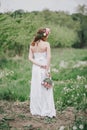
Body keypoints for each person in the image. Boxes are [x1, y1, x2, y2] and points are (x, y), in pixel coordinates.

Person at [28, 28, 56, 118]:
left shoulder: (32, 44)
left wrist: (38, 64)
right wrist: (47, 70)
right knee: (46, 87)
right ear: (45, 35)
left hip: (36, 68)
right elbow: (49, 57)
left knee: (36, 87)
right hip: (45, 67)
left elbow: (30, 58)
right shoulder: (46, 44)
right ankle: (46, 109)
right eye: (48, 35)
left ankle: (37, 109)